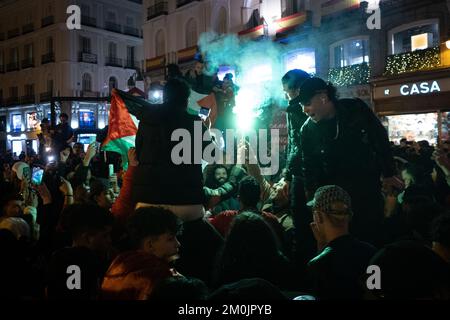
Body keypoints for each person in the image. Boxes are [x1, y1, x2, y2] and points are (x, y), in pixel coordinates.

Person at [298, 77, 402, 246]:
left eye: (307, 103)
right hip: (335, 201)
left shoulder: (355, 109)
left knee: (371, 238)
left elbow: (379, 138)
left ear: (323, 97)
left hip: (367, 189)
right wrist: (314, 204)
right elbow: (309, 168)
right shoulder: (307, 130)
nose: (304, 110)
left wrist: (389, 172)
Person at [122, 78, 214, 221]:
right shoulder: (193, 123)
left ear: (165, 97)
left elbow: (138, 155)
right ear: (186, 99)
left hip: (148, 201)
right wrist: (207, 132)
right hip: (187, 202)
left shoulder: (146, 121)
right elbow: (211, 155)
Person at [305, 185, 377, 299]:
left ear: (318, 217)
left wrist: (321, 250)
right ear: (349, 216)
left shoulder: (319, 264)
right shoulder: (371, 252)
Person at [101, 206, 182, 300]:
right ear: (150, 244)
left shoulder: (120, 261)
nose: (178, 244)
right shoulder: (160, 276)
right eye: (170, 239)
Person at [280, 69, 315, 267]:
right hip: (320, 173)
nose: (287, 96)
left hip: (303, 174)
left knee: (302, 223)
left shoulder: (295, 108)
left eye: (287, 91)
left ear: (296, 89)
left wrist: (287, 175)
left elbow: (297, 143)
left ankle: (302, 268)